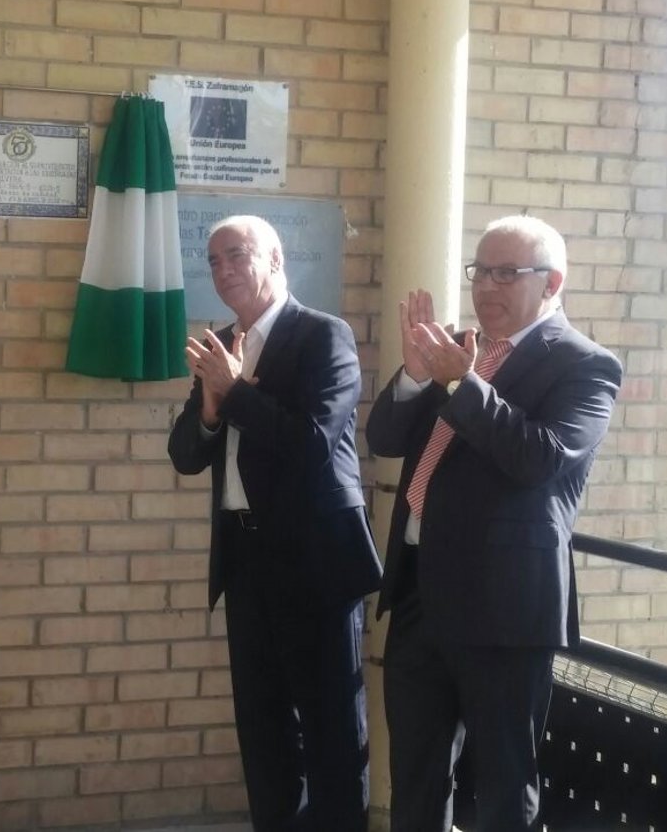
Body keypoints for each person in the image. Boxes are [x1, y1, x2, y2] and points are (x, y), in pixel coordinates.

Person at [366, 215, 622, 832]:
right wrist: (417, 375)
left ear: (551, 283)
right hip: (420, 593)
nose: (485, 287)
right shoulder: (456, 350)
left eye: (506, 273)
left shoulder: (585, 365)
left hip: (504, 609)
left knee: (505, 785)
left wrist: (461, 380)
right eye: (480, 271)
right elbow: (385, 438)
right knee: (416, 775)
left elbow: (539, 458)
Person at [168, 215, 382, 832]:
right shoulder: (221, 344)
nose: (223, 269)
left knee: (331, 733)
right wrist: (211, 407)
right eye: (213, 260)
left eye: (237, 254)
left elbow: (313, 443)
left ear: (276, 259)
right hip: (245, 561)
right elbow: (186, 455)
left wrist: (235, 393)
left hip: (315, 564)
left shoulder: (323, 335)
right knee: (264, 736)